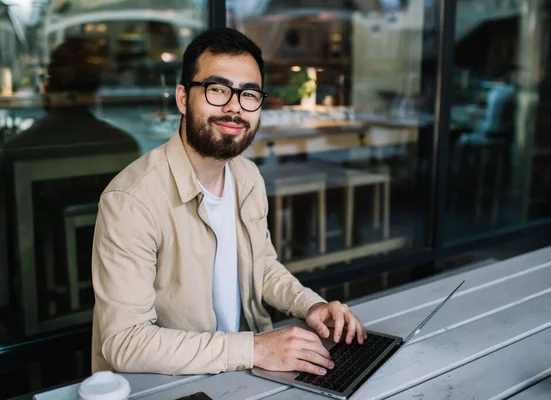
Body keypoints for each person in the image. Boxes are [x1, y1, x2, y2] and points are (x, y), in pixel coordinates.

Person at [91, 28, 367, 377]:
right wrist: (255, 348)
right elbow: (125, 343)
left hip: (241, 369)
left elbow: (261, 266)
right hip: (173, 383)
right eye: (217, 89)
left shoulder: (246, 176)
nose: (235, 107)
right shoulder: (130, 202)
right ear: (182, 98)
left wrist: (311, 304)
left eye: (249, 94)